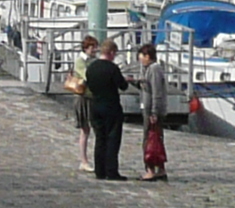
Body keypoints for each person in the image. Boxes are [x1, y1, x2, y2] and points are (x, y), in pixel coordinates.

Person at [82, 41, 129, 180]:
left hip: (95, 105)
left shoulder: (91, 67)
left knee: (100, 138)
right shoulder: (112, 68)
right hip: (111, 106)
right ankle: (111, 171)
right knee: (113, 139)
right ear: (112, 53)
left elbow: (88, 84)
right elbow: (123, 86)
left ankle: (99, 170)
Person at [67, 37, 100, 172]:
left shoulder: (94, 60)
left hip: (92, 97)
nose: (95, 50)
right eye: (93, 48)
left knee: (94, 128)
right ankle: (84, 160)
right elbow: (87, 76)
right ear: (86, 48)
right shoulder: (80, 61)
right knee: (85, 129)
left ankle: (95, 158)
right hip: (82, 97)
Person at [138, 48, 169, 182]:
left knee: (150, 140)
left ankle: (151, 170)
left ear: (147, 56)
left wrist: (154, 112)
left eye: (141, 55)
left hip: (152, 110)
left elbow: (157, 92)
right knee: (156, 139)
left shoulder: (154, 69)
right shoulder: (146, 68)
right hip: (148, 108)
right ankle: (160, 169)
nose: (139, 58)